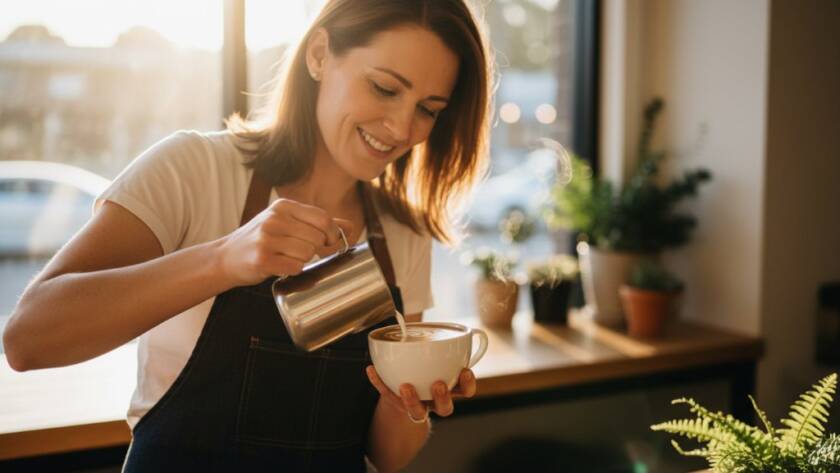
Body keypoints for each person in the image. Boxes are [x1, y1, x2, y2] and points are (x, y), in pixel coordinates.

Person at [2, 0, 493, 471]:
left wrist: (410, 401)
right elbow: (28, 340)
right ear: (319, 55)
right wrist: (222, 260)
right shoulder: (192, 171)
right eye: (384, 88)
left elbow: (387, 456)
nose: (403, 128)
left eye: (428, 109)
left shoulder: (403, 232)